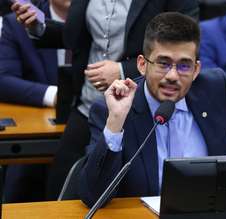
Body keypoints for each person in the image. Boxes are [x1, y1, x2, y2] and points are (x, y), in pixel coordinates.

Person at [78, 12, 226, 208]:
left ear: (196, 69)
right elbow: (93, 197)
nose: (172, 75)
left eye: (184, 65)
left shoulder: (215, 89)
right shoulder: (113, 108)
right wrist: (115, 122)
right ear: (142, 65)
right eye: (163, 63)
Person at [11, 0, 199, 200]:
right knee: (60, 191)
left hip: (136, 111)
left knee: (125, 192)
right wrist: (39, 25)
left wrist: (121, 70)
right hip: (88, 105)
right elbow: (77, 36)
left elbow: (183, 49)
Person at [0, 0, 71, 202]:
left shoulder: (105, 24)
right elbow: (3, 80)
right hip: (38, 132)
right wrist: (56, 96)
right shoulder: (19, 23)